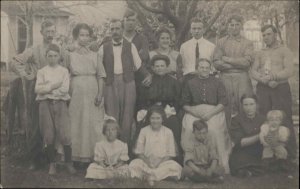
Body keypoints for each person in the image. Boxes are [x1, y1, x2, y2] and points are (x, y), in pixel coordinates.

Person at [11, 20, 60, 170]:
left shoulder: (58, 49)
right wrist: (26, 75)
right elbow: (14, 62)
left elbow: (66, 64)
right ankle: (34, 158)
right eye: (48, 32)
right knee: (36, 124)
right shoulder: (34, 49)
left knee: (54, 124)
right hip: (38, 90)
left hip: (55, 91)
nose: (50, 35)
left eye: (53, 32)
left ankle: (52, 158)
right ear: (42, 33)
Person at [99, 19, 152, 154]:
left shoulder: (130, 46)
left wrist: (148, 75)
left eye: (117, 28)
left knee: (127, 117)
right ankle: (111, 151)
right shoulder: (103, 47)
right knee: (111, 115)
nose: (115, 32)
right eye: (112, 29)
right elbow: (98, 67)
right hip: (110, 83)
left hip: (128, 82)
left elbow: (139, 65)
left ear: (122, 30)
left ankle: (124, 151)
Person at [251, 24, 297, 160]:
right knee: (263, 116)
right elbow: (253, 71)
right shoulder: (260, 52)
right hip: (264, 88)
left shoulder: (284, 50)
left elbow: (289, 70)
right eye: (264, 35)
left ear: (275, 34)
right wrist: (265, 81)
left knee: (284, 116)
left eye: (269, 34)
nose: (266, 37)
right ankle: (264, 151)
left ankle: (289, 152)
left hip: (280, 88)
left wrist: (274, 77)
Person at [181, 58, 232, 174]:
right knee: (190, 129)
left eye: (206, 68)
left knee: (214, 130)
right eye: (201, 67)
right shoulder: (190, 83)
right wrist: (195, 113)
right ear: (197, 69)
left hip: (214, 111)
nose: (204, 70)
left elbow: (223, 102)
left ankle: (220, 165)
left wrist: (210, 114)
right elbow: (184, 104)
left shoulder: (218, 82)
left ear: (210, 69)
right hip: (194, 112)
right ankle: (191, 165)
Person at [66, 23, 106, 164]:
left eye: (87, 35)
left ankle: (93, 156)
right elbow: (66, 75)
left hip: (92, 90)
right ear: (76, 36)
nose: (84, 38)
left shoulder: (95, 55)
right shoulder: (70, 55)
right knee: (76, 122)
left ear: (90, 37)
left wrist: (100, 94)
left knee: (93, 123)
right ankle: (75, 157)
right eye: (81, 35)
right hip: (76, 90)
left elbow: (101, 76)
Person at [34, 44, 76, 175]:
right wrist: (54, 85)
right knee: (48, 134)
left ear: (59, 56)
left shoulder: (64, 71)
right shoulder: (41, 71)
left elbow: (64, 89)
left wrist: (47, 88)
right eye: (50, 56)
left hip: (61, 104)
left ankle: (69, 163)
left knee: (65, 134)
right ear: (46, 57)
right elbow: (37, 89)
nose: (52, 58)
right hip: (45, 105)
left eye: (55, 56)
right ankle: (52, 164)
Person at [135, 54, 183, 164]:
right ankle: (142, 157)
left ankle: (174, 159)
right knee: (143, 124)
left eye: (162, 66)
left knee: (174, 123)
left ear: (167, 67)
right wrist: (146, 111)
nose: (159, 68)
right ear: (152, 68)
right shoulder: (147, 81)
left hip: (168, 111)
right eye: (157, 66)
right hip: (151, 111)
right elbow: (141, 100)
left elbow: (177, 101)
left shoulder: (174, 82)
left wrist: (170, 110)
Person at [213, 14, 254, 127]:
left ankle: (245, 134)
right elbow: (216, 62)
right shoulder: (221, 42)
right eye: (232, 25)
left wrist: (227, 59)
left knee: (244, 105)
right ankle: (227, 137)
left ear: (241, 26)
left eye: (237, 25)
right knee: (226, 106)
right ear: (228, 26)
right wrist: (235, 64)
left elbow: (246, 63)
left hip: (242, 78)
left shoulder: (248, 43)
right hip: (225, 77)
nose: (234, 27)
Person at [129, 106, 182, 186]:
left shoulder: (168, 132)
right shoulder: (144, 131)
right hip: (147, 162)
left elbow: (170, 154)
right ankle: (158, 176)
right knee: (134, 164)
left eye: (158, 118)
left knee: (176, 167)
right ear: (149, 119)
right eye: (152, 118)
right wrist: (148, 162)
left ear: (162, 119)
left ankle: (149, 176)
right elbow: (139, 152)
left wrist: (159, 164)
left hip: (163, 163)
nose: (155, 121)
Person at [228, 94, 265, 177]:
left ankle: (250, 171)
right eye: (246, 105)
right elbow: (241, 143)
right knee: (237, 162)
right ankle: (250, 171)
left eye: (252, 104)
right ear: (242, 106)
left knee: (267, 160)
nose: (249, 108)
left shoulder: (263, 119)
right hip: (243, 151)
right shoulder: (236, 120)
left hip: (259, 150)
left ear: (257, 105)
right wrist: (260, 135)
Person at [122, 8, 151, 113]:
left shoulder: (142, 39)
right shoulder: (118, 38)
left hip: (138, 78)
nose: (130, 23)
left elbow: (143, 57)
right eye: (128, 19)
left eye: (133, 20)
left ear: (136, 22)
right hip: (120, 78)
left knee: (139, 110)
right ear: (123, 21)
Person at [180, 17, 215, 83]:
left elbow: (213, 65)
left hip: (206, 78)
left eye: (199, 28)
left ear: (204, 30)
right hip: (189, 78)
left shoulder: (211, 46)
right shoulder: (184, 46)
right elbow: (182, 64)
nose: (196, 31)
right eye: (194, 28)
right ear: (190, 30)